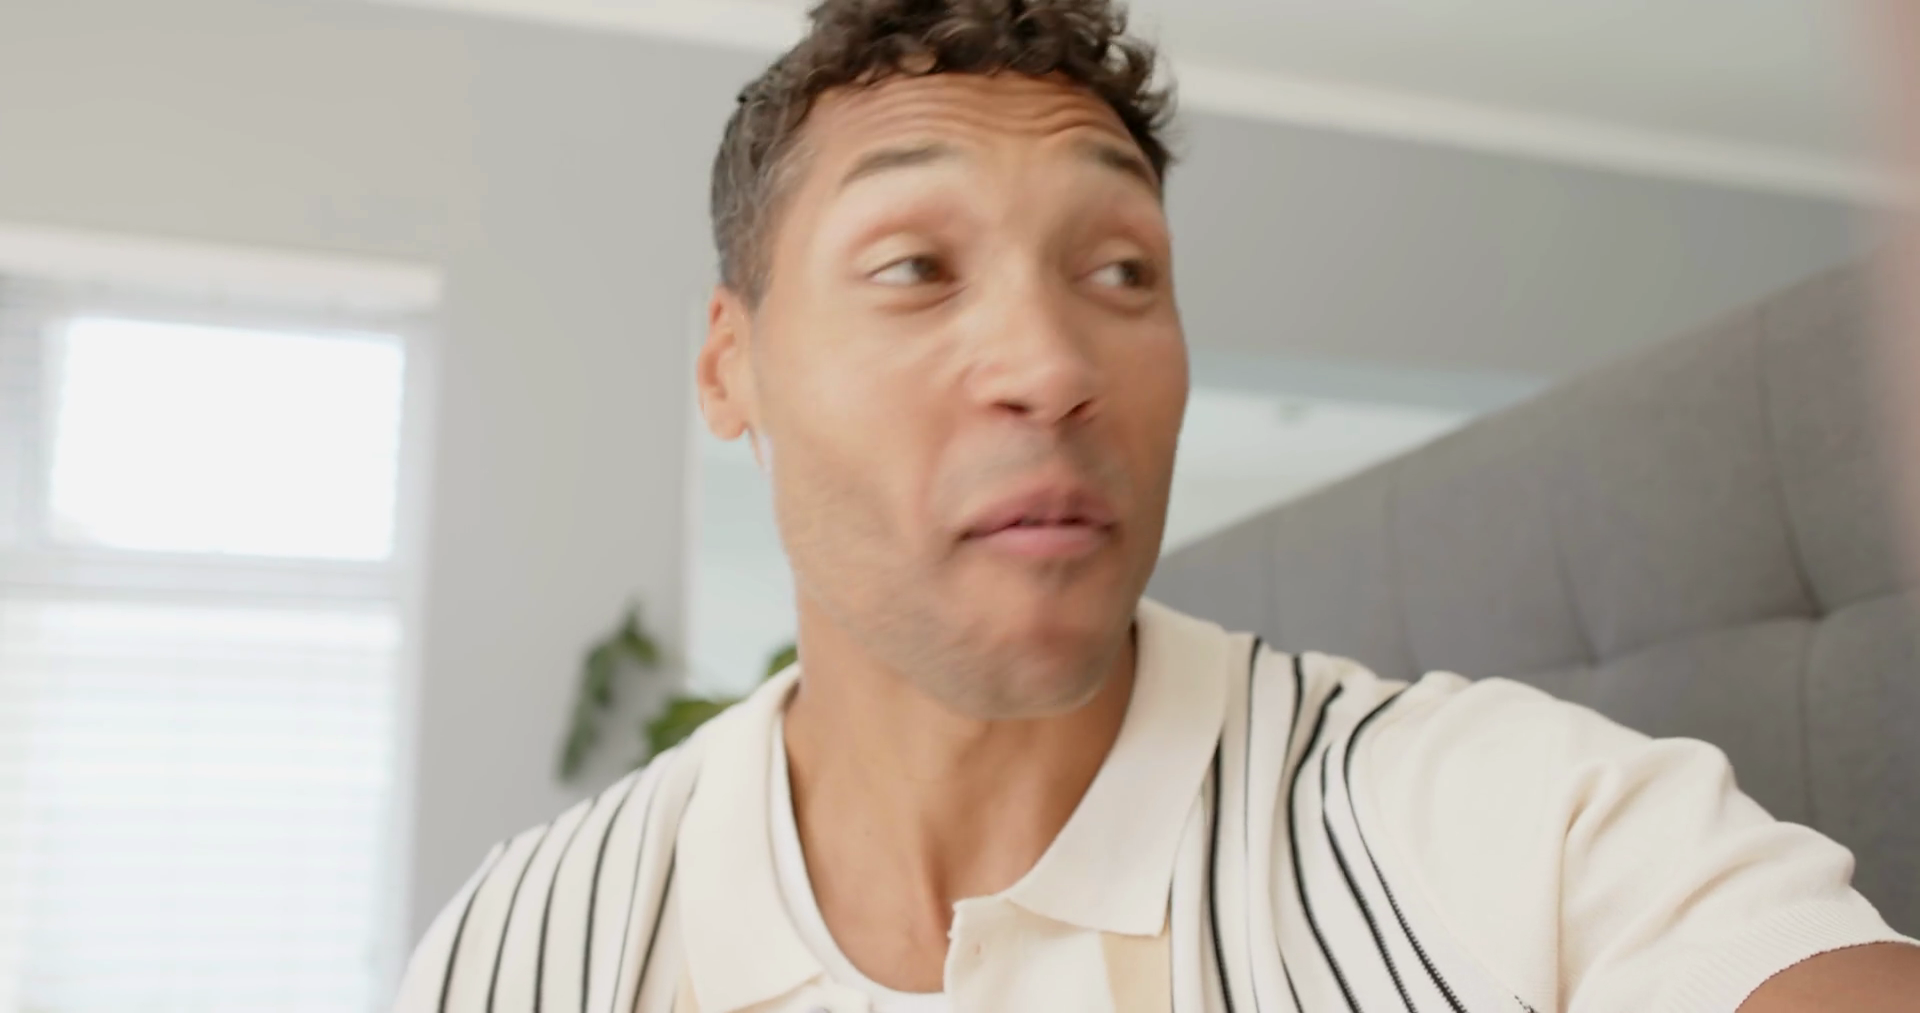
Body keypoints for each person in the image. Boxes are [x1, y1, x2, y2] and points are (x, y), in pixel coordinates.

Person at [393, 2, 1920, 1010]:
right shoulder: (529, 947)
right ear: (732, 366)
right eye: (916, 267)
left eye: (1120, 271)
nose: (1055, 367)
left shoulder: (1498, 827)